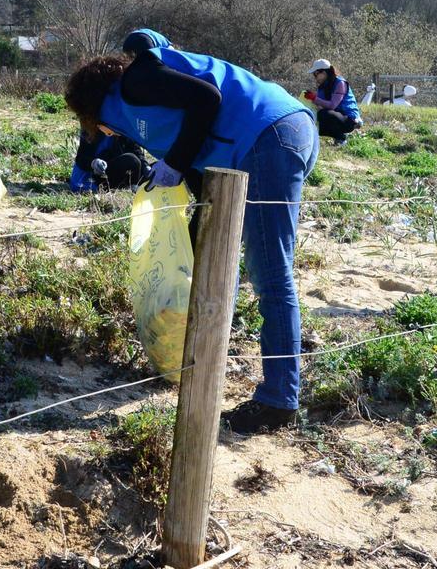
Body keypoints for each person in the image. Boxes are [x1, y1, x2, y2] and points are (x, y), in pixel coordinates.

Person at [65, 28, 318, 434]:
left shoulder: (135, 82)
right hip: (266, 136)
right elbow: (201, 189)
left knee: (270, 270)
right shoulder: (144, 116)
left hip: (270, 134)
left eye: (93, 122)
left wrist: (177, 162)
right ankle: (202, 355)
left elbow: (206, 98)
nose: (101, 133)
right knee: (213, 256)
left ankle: (279, 400)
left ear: (95, 104)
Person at [304, 59, 362, 146]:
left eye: (316, 74)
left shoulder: (340, 83)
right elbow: (320, 104)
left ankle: (341, 138)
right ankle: (338, 135)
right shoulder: (322, 86)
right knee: (316, 122)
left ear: (324, 73)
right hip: (337, 115)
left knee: (324, 114)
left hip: (350, 119)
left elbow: (332, 105)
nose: (315, 77)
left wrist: (314, 98)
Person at [69, 130, 147, 193]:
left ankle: (135, 185)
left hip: (119, 171)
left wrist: (146, 166)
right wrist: (93, 163)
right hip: (99, 176)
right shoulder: (91, 128)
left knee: (155, 169)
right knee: (132, 160)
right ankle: (135, 188)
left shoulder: (123, 126)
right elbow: (81, 158)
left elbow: (135, 150)